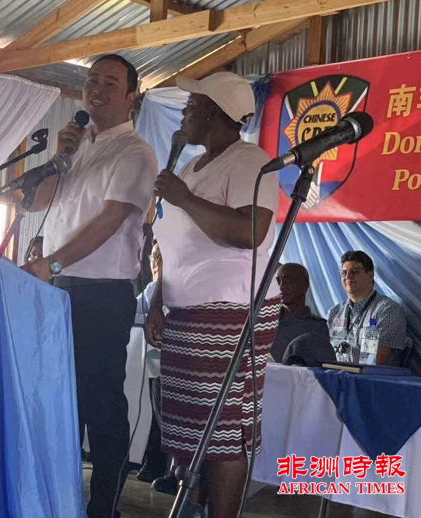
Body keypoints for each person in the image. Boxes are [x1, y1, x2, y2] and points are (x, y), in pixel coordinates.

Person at [22, 54, 158, 518]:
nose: (96, 88)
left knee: (100, 405)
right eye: (91, 79)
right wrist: (59, 158)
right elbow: (33, 203)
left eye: (110, 82)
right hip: (58, 290)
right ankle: (60, 498)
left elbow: (110, 219)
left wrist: (52, 263)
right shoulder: (78, 147)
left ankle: (104, 506)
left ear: (131, 96)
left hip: (101, 294)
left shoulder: (135, 152)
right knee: (61, 400)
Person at [147, 71, 281, 518]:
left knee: (224, 429)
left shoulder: (249, 161)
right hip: (185, 312)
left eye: (190, 106)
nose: (183, 115)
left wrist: (184, 198)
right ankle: (196, 509)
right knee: (194, 428)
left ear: (213, 112)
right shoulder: (190, 167)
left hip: (234, 312)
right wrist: (157, 302)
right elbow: (169, 247)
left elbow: (250, 232)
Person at [328, 251, 407, 366]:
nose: (348, 277)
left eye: (354, 271)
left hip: (372, 376)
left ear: (370, 276)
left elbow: (378, 360)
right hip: (338, 375)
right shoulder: (335, 312)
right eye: (344, 273)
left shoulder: (388, 310)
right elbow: (326, 353)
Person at [134, 241, 168, 483]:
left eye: (162, 258)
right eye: (155, 258)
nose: (157, 263)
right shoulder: (150, 289)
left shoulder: (174, 287)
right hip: (149, 365)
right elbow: (133, 313)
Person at [271, 263, 335, 367]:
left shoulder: (317, 327)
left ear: (304, 285)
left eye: (289, 280)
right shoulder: (265, 323)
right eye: (278, 282)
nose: (281, 287)